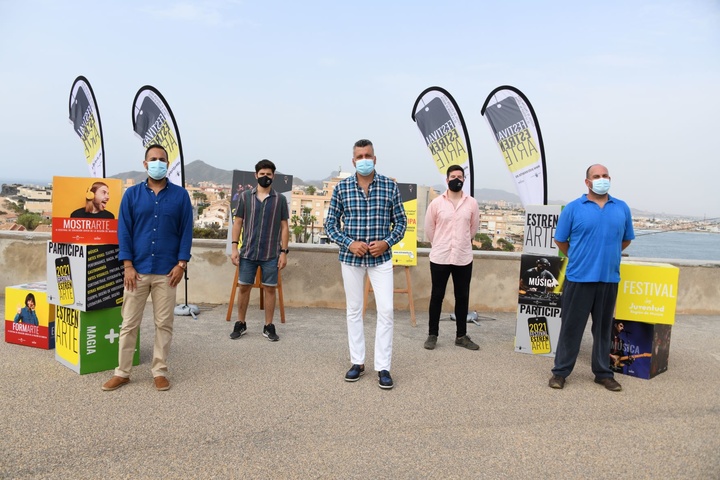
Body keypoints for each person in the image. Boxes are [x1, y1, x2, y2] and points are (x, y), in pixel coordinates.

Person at [102, 144, 193, 392]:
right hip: (137, 271)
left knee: (164, 323)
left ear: (168, 164)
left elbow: (186, 231)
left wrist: (181, 263)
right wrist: (128, 265)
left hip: (168, 272)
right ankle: (122, 372)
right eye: (153, 159)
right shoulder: (131, 195)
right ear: (145, 164)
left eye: (162, 159)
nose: (157, 163)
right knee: (129, 323)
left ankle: (159, 370)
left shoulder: (180, 196)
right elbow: (124, 231)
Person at [325, 139, 407, 390]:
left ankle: (383, 367)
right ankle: (357, 362)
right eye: (359, 156)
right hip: (351, 259)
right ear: (353, 161)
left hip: (380, 259)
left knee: (387, 311)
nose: (364, 160)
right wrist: (349, 243)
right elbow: (330, 225)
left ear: (375, 158)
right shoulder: (342, 188)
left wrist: (386, 242)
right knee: (354, 310)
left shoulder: (389, 187)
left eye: (367, 155)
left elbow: (401, 223)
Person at [548, 164, 634, 392]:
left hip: (608, 279)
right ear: (587, 182)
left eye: (605, 176)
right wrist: (578, 256)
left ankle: (603, 374)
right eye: (596, 176)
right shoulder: (574, 208)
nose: (601, 179)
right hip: (579, 278)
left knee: (604, 330)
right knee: (571, 328)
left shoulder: (622, 208)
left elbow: (625, 240)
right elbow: (560, 240)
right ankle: (560, 373)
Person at [229, 159, 289, 342]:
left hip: (271, 253)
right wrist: (234, 247)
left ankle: (269, 326)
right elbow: (238, 222)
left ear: (274, 176)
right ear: (256, 175)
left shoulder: (280, 199)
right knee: (244, 288)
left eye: (268, 174)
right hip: (247, 252)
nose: (265, 177)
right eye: (262, 174)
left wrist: (284, 252)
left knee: (270, 290)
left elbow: (284, 226)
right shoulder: (245, 197)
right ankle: (241, 323)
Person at [423, 165, 480, 351]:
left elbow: (473, 228)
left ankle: (461, 336)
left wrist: (461, 243)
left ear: (464, 180)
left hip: (463, 257)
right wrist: (440, 243)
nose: (457, 179)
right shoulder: (436, 204)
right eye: (453, 176)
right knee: (437, 296)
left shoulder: (471, 203)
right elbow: (429, 229)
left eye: (460, 176)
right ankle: (432, 334)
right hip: (440, 256)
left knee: (462, 297)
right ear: (447, 180)